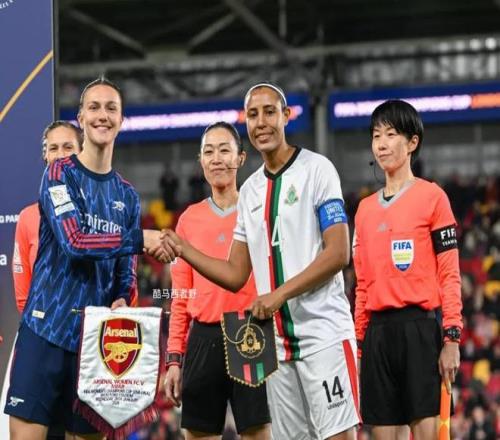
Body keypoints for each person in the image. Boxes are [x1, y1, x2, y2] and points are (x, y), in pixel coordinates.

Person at [158, 83, 360, 440]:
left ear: (286, 116)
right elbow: (235, 273)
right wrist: (184, 249)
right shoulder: (251, 190)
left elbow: (338, 253)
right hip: (277, 345)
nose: (261, 122)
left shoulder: (318, 170)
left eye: (269, 112)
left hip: (323, 335)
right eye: (253, 114)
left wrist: (278, 295)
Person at [4, 78, 164, 440]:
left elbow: (126, 273)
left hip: (93, 346)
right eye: (94, 107)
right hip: (44, 333)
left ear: (121, 120)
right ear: (81, 118)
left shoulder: (127, 195)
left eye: (111, 108)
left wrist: (121, 297)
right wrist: (140, 239)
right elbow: (74, 241)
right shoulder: (59, 174)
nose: (102, 115)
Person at [353, 100, 462, 440]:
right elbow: (362, 286)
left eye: (391, 134)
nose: (381, 144)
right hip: (378, 336)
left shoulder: (434, 198)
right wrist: (359, 345)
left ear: (412, 142)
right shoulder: (364, 210)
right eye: (376, 136)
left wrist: (452, 338)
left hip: (420, 332)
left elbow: (449, 274)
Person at [164, 121, 271, 439]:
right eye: (209, 152)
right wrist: (174, 360)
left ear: (240, 158)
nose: (217, 159)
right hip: (203, 337)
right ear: (200, 161)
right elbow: (180, 297)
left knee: (258, 432)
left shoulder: (258, 212)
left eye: (225, 150)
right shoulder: (188, 220)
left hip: (251, 331)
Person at [12, 121, 84, 313]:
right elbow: (24, 299)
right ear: (46, 155)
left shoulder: (103, 209)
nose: (60, 155)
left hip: (91, 328)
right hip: (44, 329)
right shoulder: (28, 218)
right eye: (53, 148)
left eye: (68, 147)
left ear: (82, 153)